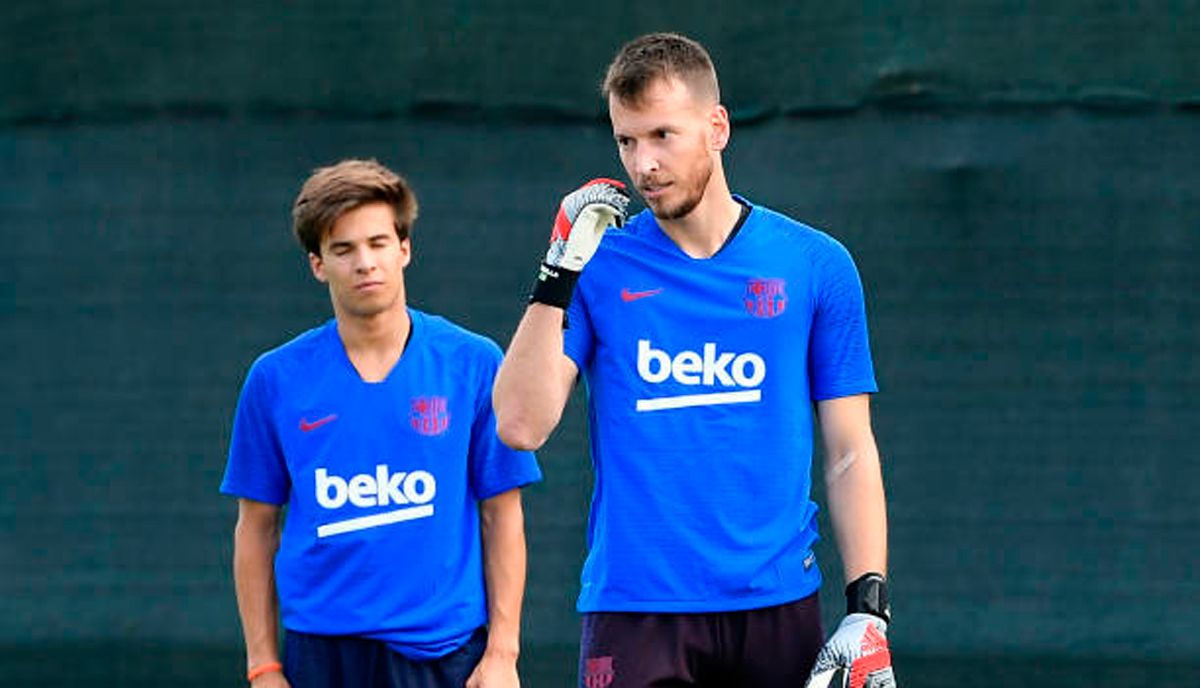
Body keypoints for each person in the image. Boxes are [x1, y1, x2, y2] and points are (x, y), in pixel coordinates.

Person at [492, 33, 894, 688]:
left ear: (717, 128)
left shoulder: (817, 264)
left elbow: (850, 450)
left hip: (777, 608)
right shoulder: (596, 266)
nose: (643, 164)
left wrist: (867, 608)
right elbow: (519, 426)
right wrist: (558, 271)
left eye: (661, 136)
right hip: (636, 610)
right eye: (626, 142)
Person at [221, 159, 542, 688]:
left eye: (377, 243)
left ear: (405, 249)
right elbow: (255, 528)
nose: (364, 263)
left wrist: (503, 654)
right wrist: (263, 666)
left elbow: (502, 516)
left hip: (445, 655)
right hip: (322, 656)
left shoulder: (474, 363)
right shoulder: (275, 379)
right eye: (343, 250)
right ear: (317, 264)